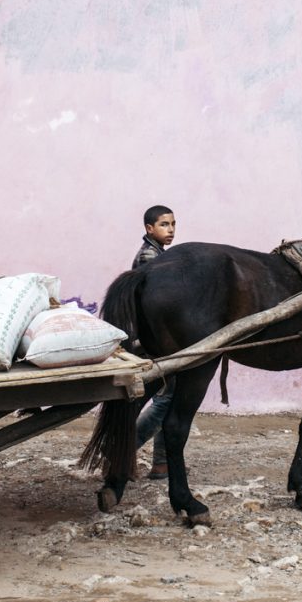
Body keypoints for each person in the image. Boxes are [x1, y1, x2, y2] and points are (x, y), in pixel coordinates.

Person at [132, 205, 176, 479]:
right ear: (150, 229)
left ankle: (161, 463)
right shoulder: (150, 257)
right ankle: (126, 451)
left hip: (157, 338)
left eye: (173, 224)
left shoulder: (159, 254)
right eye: (164, 225)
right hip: (152, 340)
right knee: (166, 398)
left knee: (167, 396)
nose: (170, 230)